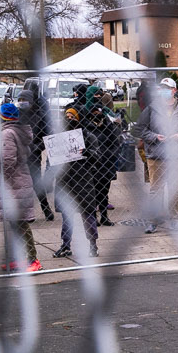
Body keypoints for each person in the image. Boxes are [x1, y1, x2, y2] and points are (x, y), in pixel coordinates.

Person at [132, 76, 178, 234]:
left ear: (174, 90)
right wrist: (155, 137)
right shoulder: (152, 108)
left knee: (175, 188)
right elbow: (139, 129)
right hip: (157, 155)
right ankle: (153, 220)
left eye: (167, 89)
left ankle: (174, 218)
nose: (163, 92)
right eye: (161, 89)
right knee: (156, 189)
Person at [54, 89, 108, 258]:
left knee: (88, 215)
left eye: (73, 116)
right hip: (65, 180)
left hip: (84, 180)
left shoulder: (88, 135)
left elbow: (96, 158)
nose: (69, 118)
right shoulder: (59, 136)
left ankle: (93, 245)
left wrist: (85, 152)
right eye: (67, 116)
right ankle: (65, 244)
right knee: (67, 216)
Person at [0, 101, 41, 272]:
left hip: (13, 183)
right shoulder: (18, 131)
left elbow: (8, 160)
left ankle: (32, 259)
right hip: (20, 179)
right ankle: (18, 258)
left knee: (19, 223)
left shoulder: (7, 133)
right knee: (14, 223)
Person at [17, 80, 55, 220]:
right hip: (18, 156)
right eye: (20, 100)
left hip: (33, 155)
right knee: (22, 186)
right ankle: (26, 213)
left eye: (25, 100)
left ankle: (46, 209)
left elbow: (47, 136)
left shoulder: (40, 116)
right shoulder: (16, 116)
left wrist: (37, 147)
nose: (22, 102)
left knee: (36, 182)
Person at [94, 91, 124, 226]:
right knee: (92, 191)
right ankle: (92, 218)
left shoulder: (109, 125)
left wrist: (111, 154)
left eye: (99, 112)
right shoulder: (87, 127)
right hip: (92, 163)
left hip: (106, 162)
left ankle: (104, 216)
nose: (97, 115)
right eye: (94, 112)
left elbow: (116, 142)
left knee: (104, 190)